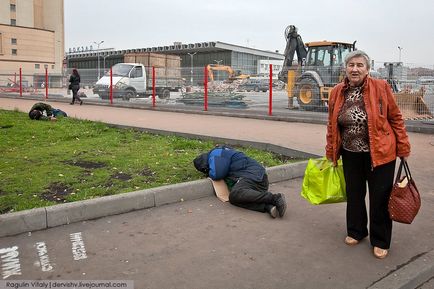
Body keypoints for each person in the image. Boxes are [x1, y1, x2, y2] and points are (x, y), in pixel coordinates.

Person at [326, 50, 410, 259]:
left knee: (379, 198)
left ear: (367, 68)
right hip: (350, 153)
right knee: (354, 195)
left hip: (380, 153)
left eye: (359, 65)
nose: (355, 69)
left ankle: (380, 240)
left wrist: (403, 147)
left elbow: (396, 118)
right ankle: (356, 231)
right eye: (351, 65)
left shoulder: (381, 87)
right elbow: (331, 125)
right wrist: (331, 151)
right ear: (346, 68)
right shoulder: (337, 91)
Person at [193, 146, 287, 218]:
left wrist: (209, 173)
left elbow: (217, 174)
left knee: (236, 193)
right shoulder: (223, 152)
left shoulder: (215, 153)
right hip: (257, 180)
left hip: (252, 176)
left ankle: (275, 198)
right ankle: (267, 206)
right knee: (234, 199)